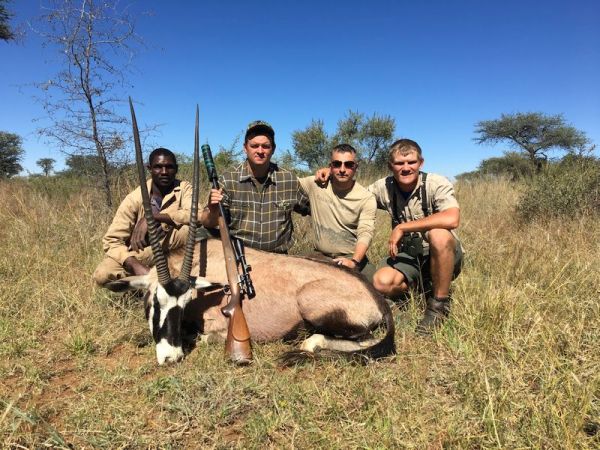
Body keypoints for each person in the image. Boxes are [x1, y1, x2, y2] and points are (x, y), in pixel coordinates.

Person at [367, 139, 463, 334]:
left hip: (442, 253)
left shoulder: (435, 183)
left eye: (411, 162)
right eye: (399, 163)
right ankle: (421, 287)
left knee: (438, 235)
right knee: (380, 282)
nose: (406, 168)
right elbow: (356, 197)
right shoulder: (382, 186)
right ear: (390, 166)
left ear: (421, 163)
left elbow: (452, 218)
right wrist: (330, 175)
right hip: (409, 256)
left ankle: (438, 306)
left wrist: (402, 227)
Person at [200, 120, 309, 253]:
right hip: (241, 256)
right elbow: (207, 222)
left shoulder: (288, 179)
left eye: (266, 146)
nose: (260, 151)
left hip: (278, 258)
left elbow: (313, 208)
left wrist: (329, 173)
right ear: (245, 148)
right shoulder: (228, 179)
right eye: (254, 146)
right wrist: (213, 210)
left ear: (273, 149)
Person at [93, 148, 192, 286]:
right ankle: (142, 285)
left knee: (191, 231)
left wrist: (154, 217)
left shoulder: (184, 188)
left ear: (176, 169)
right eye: (158, 167)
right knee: (103, 274)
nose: (164, 172)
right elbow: (112, 240)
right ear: (149, 169)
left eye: (169, 167)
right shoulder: (133, 199)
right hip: (143, 253)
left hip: (174, 245)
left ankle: (177, 275)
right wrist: (134, 264)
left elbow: (196, 214)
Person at [299, 144, 377, 280]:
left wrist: (354, 262)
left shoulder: (366, 197)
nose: (342, 169)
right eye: (337, 164)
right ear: (330, 166)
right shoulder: (315, 184)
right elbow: (286, 182)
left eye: (348, 164)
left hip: (349, 257)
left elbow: (366, 232)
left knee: (376, 285)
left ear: (356, 167)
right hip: (319, 255)